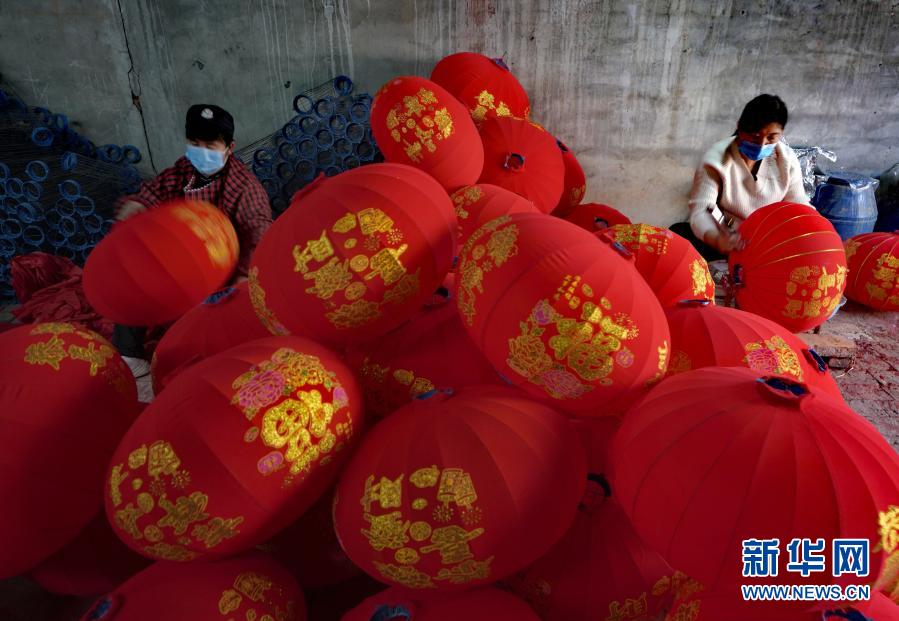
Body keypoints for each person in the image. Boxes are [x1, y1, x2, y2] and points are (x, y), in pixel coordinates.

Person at [113, 104, 273, 379]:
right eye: (195, 144)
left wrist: (243, 276)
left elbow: (260, 236)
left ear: (229, 148)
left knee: (209, 338)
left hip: (224, 273)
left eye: (210, 146)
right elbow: (153, 193)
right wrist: (137, 205)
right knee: (135, 275)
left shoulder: (244, 187)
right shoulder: (181, 171)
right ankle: (129, 353)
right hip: (180, 262)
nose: (201, 152)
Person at [671, 94, 809, 260]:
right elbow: (702, 210)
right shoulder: (717, 159)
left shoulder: (786, 160)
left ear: (781, 134)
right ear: (740, 128)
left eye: (771, 137)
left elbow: (800, 207)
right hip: (726, 231)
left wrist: (817, 230)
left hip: (765, 242)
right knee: (678, 235)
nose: (762, 144)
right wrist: (717, 239)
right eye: (754, 135)